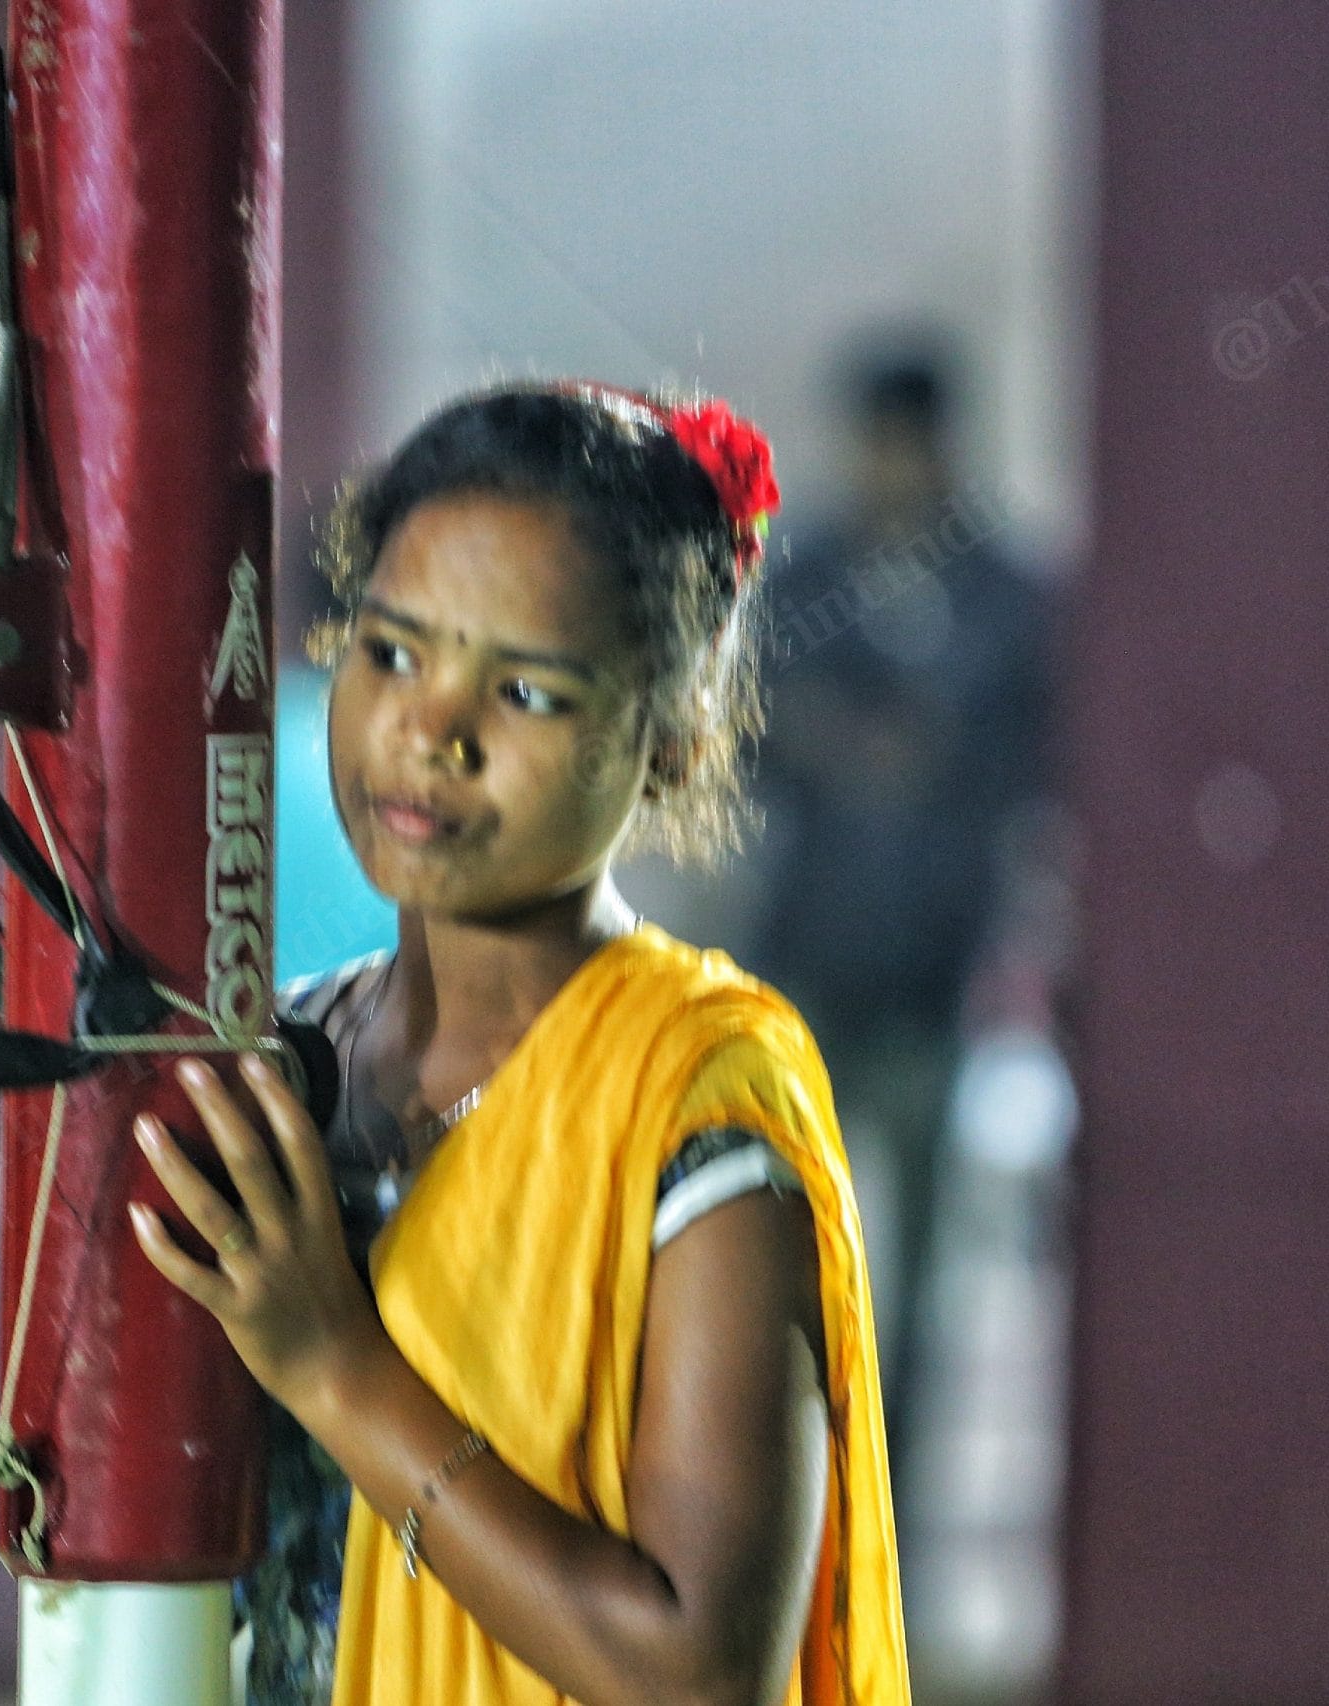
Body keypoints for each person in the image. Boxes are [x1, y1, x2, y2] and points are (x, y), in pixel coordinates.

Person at [125, 382, 911, 1705]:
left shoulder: (697, 1114)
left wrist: (339, 1371)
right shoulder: (293, 1059)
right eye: (392, 652)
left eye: (528, 691)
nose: (433, 731)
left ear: (671, 736)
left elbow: (697, 1671)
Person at [746, 343, 1058, 1453]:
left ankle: (893, 1534)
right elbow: (741, 742)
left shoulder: (1005, 599)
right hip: (807, 969)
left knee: (916, 1290)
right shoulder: (805, 584)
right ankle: (793, 1512)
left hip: (936, 975)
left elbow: (1037, 769)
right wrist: (829, 740)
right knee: (782, 1265)